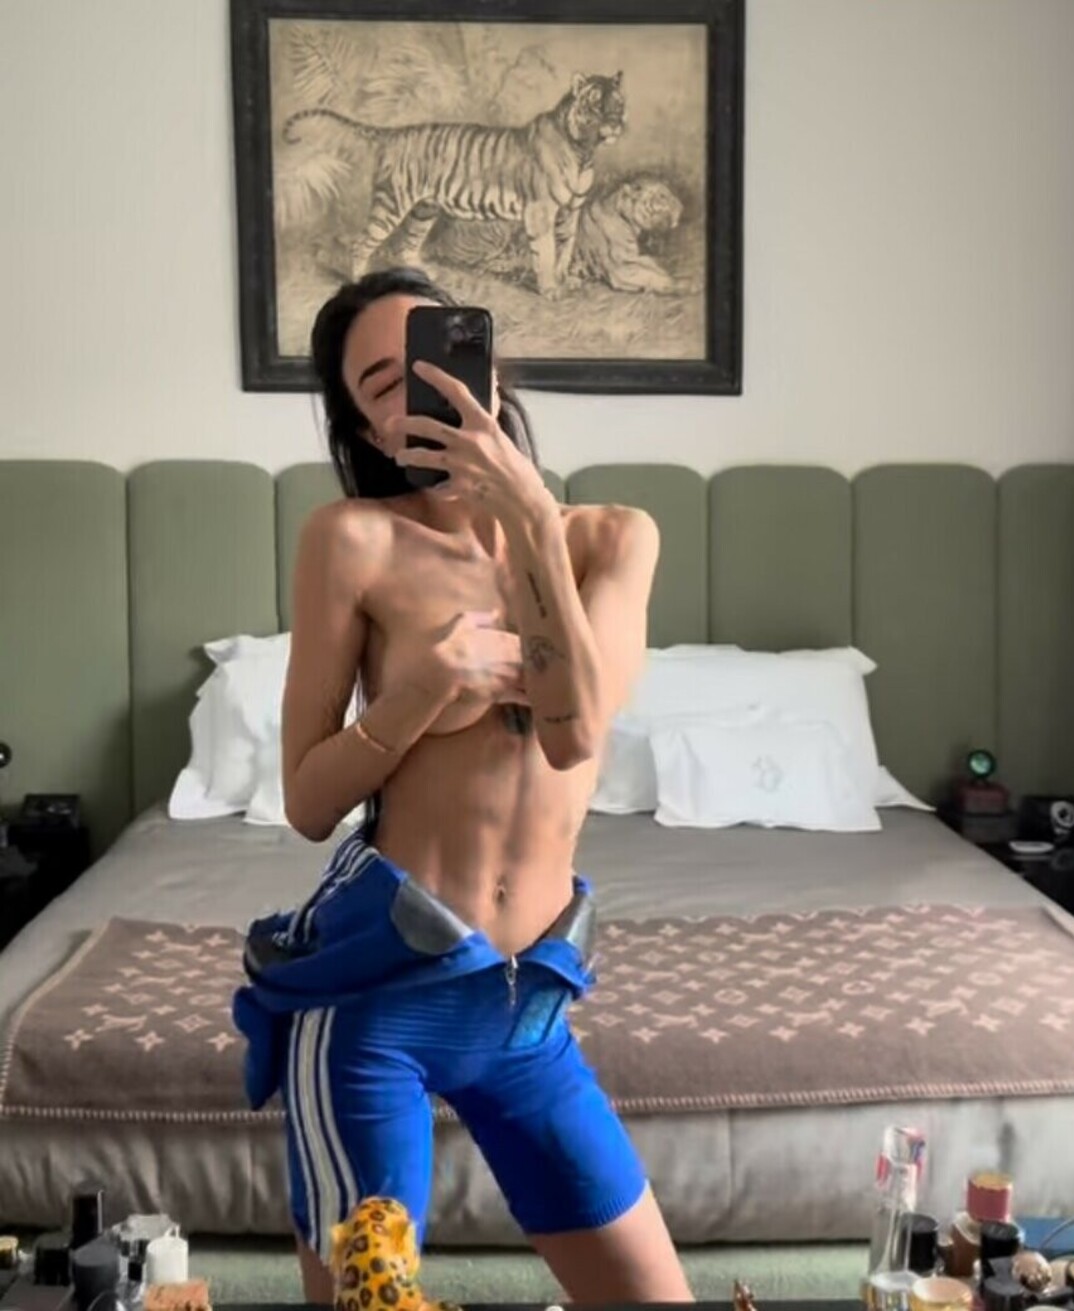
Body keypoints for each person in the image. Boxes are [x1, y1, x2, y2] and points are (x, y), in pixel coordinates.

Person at [232, 266, 692, 1305]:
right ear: (365, 425)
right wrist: (426, 688)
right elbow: (308, 802)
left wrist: (527, 513)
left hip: (527, 1009)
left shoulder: (614, 539)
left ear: (488, 368)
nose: (418, 397)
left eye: (434, 364)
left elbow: (575, 731)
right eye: (382, 386)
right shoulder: (351, 540)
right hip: (372, 1006)